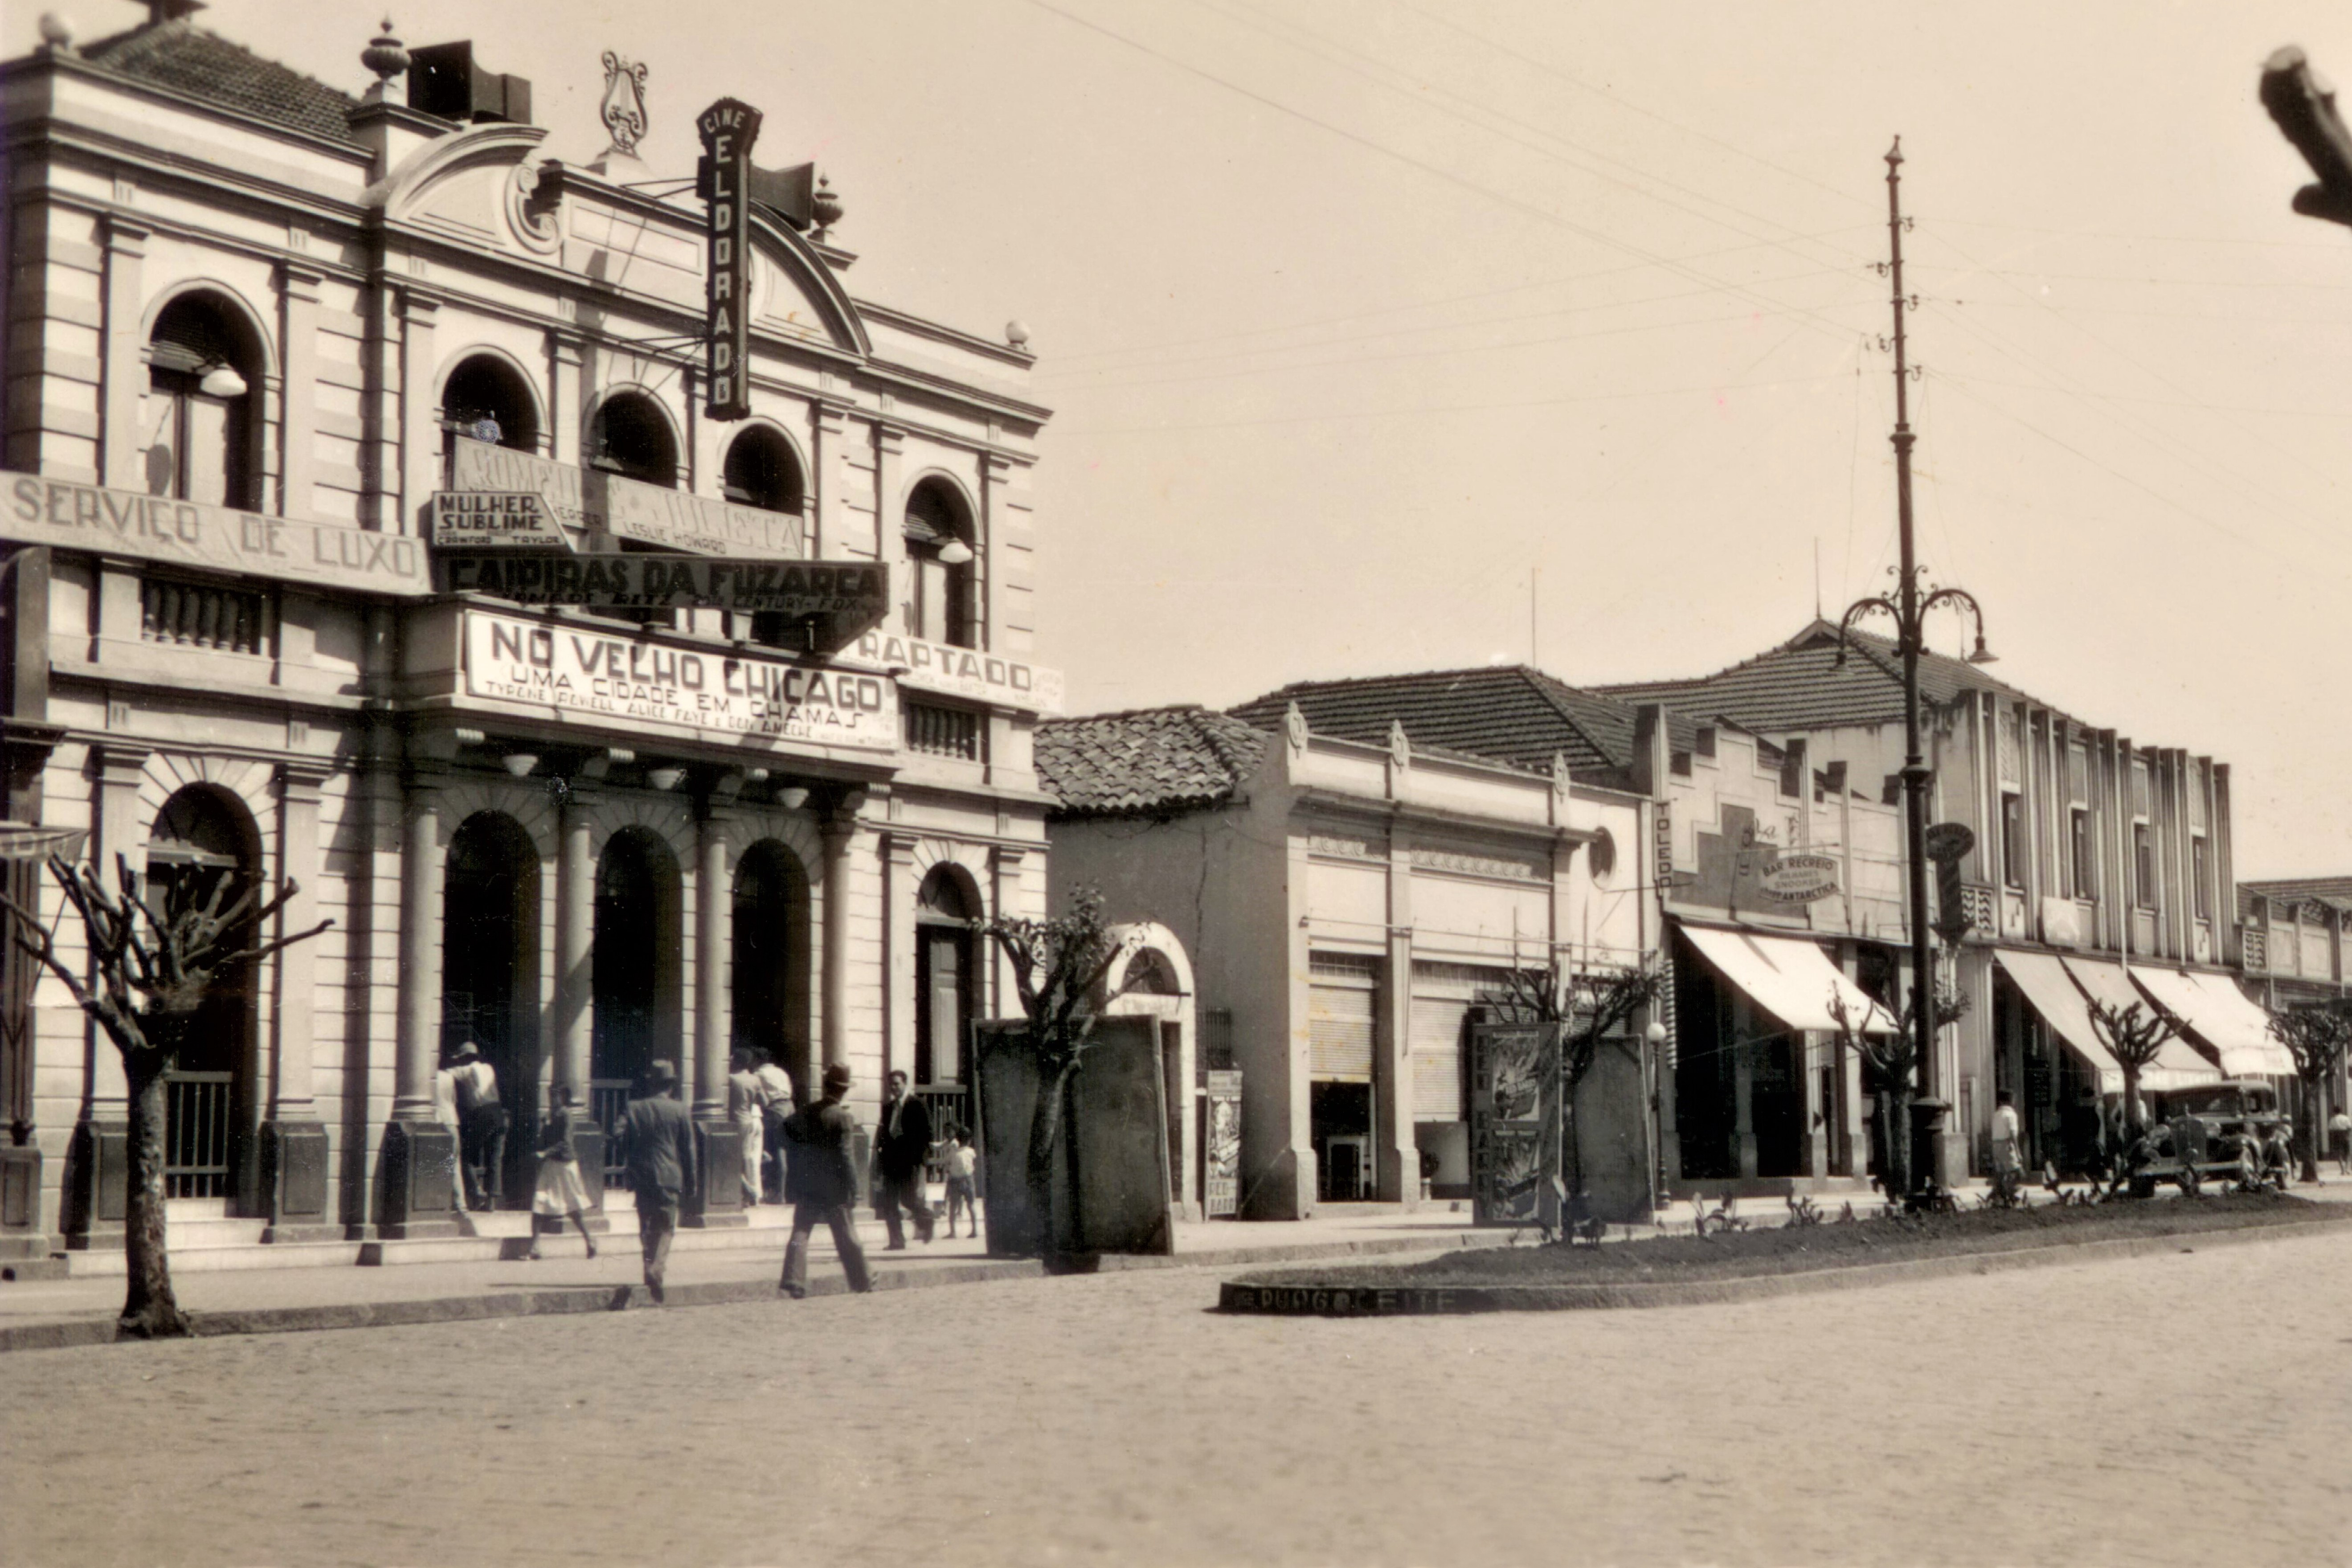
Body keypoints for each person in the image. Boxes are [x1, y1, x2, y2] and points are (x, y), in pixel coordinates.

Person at [777, 1061, 872, 1298]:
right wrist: (854, 1188)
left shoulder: (807, 1112)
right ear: (845, 1090)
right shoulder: (843, 1117)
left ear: (825, 1085)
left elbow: (784, 1132)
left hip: (809, 1183)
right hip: (835, 1187)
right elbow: (846, 1156)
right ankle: (862, 1279)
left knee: (801, 1232)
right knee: (846, 1234)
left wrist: (800, 1158)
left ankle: (794, 1279)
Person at [618, 1060, 697, 1303]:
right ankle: (656, 1268)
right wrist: (692, 1181)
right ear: (671, 1085)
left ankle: (648, 1270)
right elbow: (689, 1149)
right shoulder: (680, 1110)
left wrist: (633, 1154)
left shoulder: (634, 1108)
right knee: (666, 1226)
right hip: (669, 1175)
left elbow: (618, 1134)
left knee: (646, 1224)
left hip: (642, 1174)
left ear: (651, 1084)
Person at [527, 1085, 597, 1261]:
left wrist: (545, 1153)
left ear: (564, 1098)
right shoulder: (550, 1115)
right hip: (551, 1165)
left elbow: (566, 1142)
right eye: (551, 1096)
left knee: (573, 1208)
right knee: (539, 1202)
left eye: (556, 1096)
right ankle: (535, 1248)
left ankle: (590, 1240)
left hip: (565, 1165)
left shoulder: (567, 1115)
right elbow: (545, 1139)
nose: (553, 1100)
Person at [873, 1069, 936, 1248]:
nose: (894, 1088)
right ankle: (897, 1241)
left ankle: (927, 1219)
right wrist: (880, 1161)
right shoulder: (888, 1108)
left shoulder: (917, 1104)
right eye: (891, 1085)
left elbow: (927, 1134)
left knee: (908, 1200)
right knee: (889, 1203)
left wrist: (922, 1160)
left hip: (909, 1161)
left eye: (897, 1084)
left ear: (905, 1084)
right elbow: (884, 1136)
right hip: (891, 1161)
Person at [450, 1042, 506, 1212]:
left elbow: (444, 1075)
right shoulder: (488, 1068)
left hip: (482, 1114)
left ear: (464, 1058)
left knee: (464, 1155)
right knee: (495, 1159)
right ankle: (491, 1202)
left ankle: (476, 1190)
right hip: (498, 1113)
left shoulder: (464, 1071)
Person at [752, 1051, 796, 1202]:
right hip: (789, 1108)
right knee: (785, 1149)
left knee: (774, 1151)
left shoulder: (758, 1074)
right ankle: (784, 1192)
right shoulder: (781, 1072)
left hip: (775, 1110)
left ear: (757, 1060)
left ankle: (777, 1194)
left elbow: (760, 1098)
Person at [728, 1049, 765, 1208]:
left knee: (733, 1159)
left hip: (736, 1121)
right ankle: (748, 1195)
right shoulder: (755, 1079)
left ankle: (750, 1192)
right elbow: (765, 1101)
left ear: (736, 1061)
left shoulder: (731, 1079)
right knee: (747, 1158)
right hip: (749, 1120)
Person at [943, 1126, 980, 1239]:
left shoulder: (953, 1152)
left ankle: (953, 1232)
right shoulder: (971, 1152)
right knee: (971, 1205)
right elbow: (974, 1160)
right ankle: (975, 1230)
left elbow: (947, 1162)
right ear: (969, 1140)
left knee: (953, 1207)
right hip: (968, 1180)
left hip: (955, 1180)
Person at [1990, 1089, 2023, 1185]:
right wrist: (2018, 1152)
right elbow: (2013, 1134)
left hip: (1996, 1145)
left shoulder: (1996, 1114)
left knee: (2001, 1173)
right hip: (2007, 1145)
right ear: (2011, 1101)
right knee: (2017, 1172)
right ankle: (2011, 1191)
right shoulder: (2011, 1115)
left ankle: (2000, 1192)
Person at [2330, 1105, 2352, 1177]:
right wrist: (2349, 1136)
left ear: (2334, 1112)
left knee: (2338, 1153)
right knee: (2347, 1152)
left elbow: (2331, 1129)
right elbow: (2349, 1128)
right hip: (2345, 1135)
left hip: (2337, 1136)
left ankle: (2342, 1169)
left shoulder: (2333, 1119)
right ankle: (2347, 1169)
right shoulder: (2346, 1118)